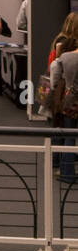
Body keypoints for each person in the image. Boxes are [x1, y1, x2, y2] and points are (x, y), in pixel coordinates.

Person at [49, 34, 78, 183]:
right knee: (71, 138)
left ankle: (65, 170)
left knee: (68, 136)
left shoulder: (65, 57)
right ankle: (68, 172)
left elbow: (56, 77)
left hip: (68, 100)